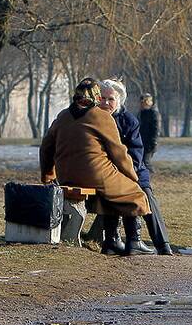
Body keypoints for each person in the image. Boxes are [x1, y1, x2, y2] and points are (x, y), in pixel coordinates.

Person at [40, 78, 150, 254]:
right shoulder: (101, 116)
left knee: (107, 194)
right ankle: (134, 241)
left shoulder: (62, 116)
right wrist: (132, 176)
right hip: (94, 173)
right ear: (96, 97)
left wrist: (48, 176)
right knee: (134, 193)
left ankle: (112, 241)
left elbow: (46, 147)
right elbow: (118, 151)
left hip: (66, 175)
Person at [100, 79, 173, 255]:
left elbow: (136, 155)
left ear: (119, 100)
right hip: (107, 172)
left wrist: (127, 171)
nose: (106, 103)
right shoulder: (95, 119)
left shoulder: (128, 120)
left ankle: (162, 244)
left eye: (111, 99)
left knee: (146, 193)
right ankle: (127, 240)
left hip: (132, 169)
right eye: (102, 98)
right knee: (123, 190)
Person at [137, 94, 161, 170]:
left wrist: (153, 142)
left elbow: (155, 129)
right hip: (142, 141)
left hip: (149, 142)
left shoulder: (153, 113)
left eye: (144, 102)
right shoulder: (142, 113)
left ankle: (151, 174)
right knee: (142, 161)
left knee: (146, 161)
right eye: (141, 102)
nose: (142, 104)